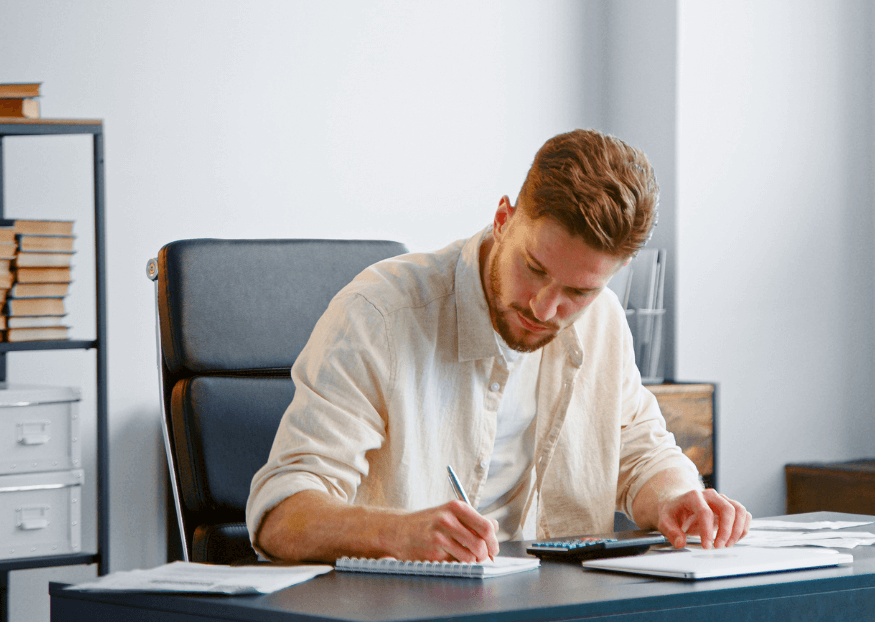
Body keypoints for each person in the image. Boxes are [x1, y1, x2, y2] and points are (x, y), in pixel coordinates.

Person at [247, 129, 751, 563]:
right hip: (402, 608)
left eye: (579, 291)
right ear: (504, 218)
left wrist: (679, 499)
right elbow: (281, 515)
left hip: (552, 602)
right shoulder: (381, 315)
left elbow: (641, 454)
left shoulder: (603, 323)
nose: (545, 308)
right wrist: (398, 533)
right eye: (533, 269)